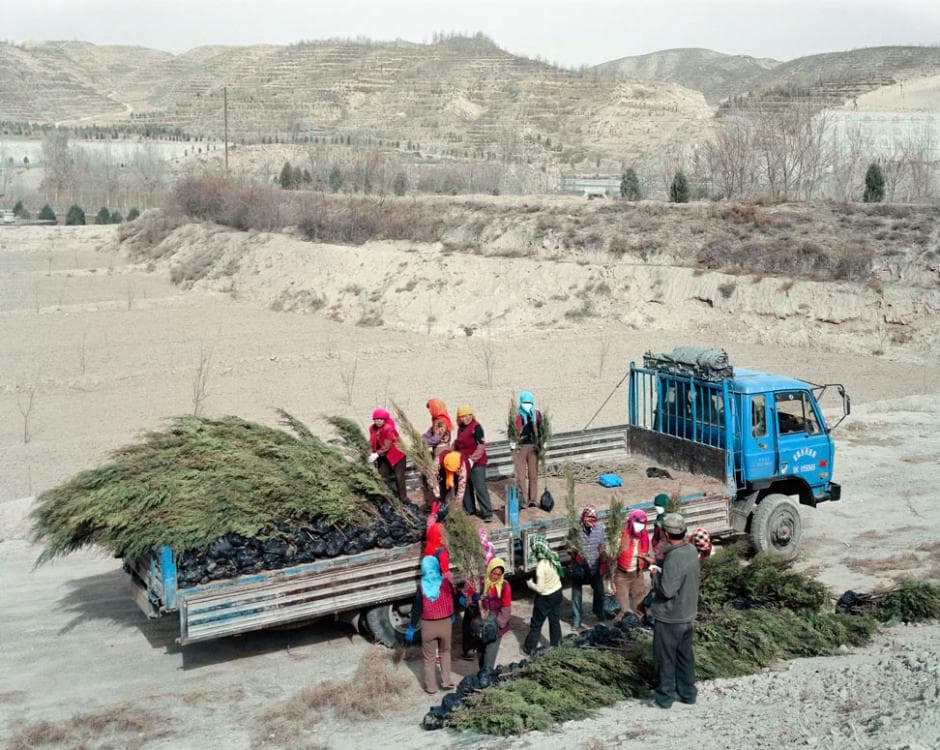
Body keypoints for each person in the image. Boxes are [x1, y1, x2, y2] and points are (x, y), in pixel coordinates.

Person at [649, 513, 700, 709]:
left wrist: (654, 575)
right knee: (685, 657)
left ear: (667, 534)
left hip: (671, 617)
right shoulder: (690, 550)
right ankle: (688, 694)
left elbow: (667, 590)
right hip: (687, 614)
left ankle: (664, 698)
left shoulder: (674, 557)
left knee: (665, 659)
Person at [407, 555, 456, 694]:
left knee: (429, 658)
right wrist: (451, 615)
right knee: (445, 652)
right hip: (445, 623)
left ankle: (431, 687)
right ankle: (447, 681)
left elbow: (417, 609)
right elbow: (451, 600)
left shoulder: (422, 587)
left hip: (428, 626)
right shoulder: (445, 583)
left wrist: (411, 627)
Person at [523, 535, 563, 654]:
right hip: (558, 592)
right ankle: (557, 645)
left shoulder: (541, 566)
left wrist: (530, 584)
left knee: (536, 623)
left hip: (546, 597)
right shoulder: (553, 556)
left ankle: (529, 648)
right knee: (554, 621)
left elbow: (540, 588)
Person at [570, 505, 607, 630]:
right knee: (576, 595)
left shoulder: (600, 529)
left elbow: (602, 547)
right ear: (583, 517)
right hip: (579, 568)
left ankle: (599, 612)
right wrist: (575, 555)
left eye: (593, 518)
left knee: (599, 591)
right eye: (589, 517)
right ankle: (576, 620)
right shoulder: (576, 529)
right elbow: (569, 546)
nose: (591, 520)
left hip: (594, 567)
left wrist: (603, 563)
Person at [453, 405, 493, 521]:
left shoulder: (476, 427)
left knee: (479, 486)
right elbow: (457, 443)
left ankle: (487, 512)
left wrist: (472, 459)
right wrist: (449, 451)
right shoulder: (460, 429)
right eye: (462, 416)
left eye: (467, 416)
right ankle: (469, 509)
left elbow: (481, 445)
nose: (465, 418)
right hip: (464, 461)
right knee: (465, 485)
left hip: (477, 462)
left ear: (471, 415)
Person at [615, 509, 653, 621]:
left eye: (642, 524)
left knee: (639, 605)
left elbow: (650, 554)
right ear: (631, 522)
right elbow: (612, 555)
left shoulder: (645, 536)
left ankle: (641, 627)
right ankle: (624, 628)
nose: (639, 526)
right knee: (623, 608)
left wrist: (651, 563)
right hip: (621, 575)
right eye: (637, 523)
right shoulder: (622, 534)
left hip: (637, 573)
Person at [478, 557, 512, 669]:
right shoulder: (481, 583)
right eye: (494, 573)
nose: (496, 576)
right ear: (489, 571)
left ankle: (486, 678)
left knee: (489, 655)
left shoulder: (505, 586)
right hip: (481, 625)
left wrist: (496, 625)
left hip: (496, 627)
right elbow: (468, 601)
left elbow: (506, 609)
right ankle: (481, 676)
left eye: (499, 574)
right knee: (481, 653)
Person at [368, 408, 408, 502]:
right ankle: (388, 499)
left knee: (399, 477)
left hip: (397, 455)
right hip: (383, 456)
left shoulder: (388, 428)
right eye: (375, 419)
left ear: (384, 419)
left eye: (380, 419)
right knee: (383, 476)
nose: (377, 421)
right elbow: (371, 442)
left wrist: (375, 454)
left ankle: (403, 498)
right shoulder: (372, 428)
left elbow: (387, 446)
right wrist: (369, 453)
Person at [511, 391, 543, 508]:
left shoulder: (537, 414)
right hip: (521, 447)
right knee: (520, 475)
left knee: (533, 474)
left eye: (529, 402)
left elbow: (542, 430)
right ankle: (523, 499)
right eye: (525, 402)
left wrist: (542, 442)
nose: (527, 404)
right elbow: (513, 432)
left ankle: (533, 499)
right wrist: (513, 441)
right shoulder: (517, 416)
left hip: (534, 446)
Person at [650, 493, 671, 562]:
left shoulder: (670, 520)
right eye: (655, 505)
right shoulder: (659, 518)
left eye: (659, 505)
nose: (656, 508)